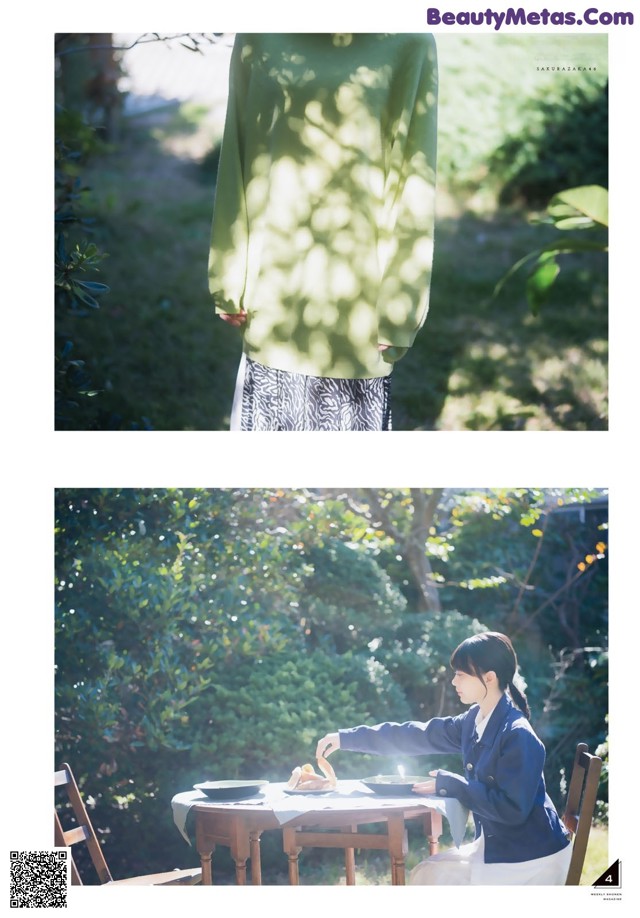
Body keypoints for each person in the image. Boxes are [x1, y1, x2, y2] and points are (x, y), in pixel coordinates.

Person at [208, 33, 438, 430]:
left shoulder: (409, 40)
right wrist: (228, 273)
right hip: (274, 290)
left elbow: (413, 183)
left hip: (358, 301)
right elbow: (237, 153)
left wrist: (402, 304)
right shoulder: (260, 35)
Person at [316, 631, 573, 884]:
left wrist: (453, 784)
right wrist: (345, 738)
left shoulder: (518, 734)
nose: (453, 682)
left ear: (490, 677)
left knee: (430, 878)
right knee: (426, 873)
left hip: (532, 858)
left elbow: (512, 810)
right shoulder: (473, 720)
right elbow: (416, 735)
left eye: (461, 674)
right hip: (502, 846)